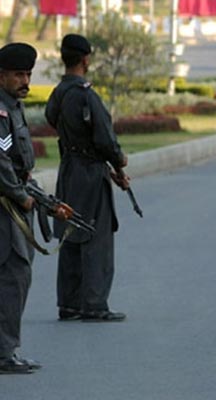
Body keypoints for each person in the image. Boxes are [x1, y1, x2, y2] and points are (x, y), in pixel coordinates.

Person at [45, 34, 130, 323]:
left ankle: (68, 304)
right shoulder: (86, 94)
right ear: (85, 59)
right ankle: (94, 304)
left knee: (71, 233)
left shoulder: (58, 92)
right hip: (92, 173)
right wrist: (119, 161)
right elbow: (105, 139)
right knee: (96, 237)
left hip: (68, 170)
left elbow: (51, 118)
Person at [0, 42, 43, 374]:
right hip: (5, 205)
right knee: (14, 275)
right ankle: (4, 353)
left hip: (13, 200)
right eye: (18, 74)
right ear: (1, 76)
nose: (25, 80)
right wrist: (20, 194)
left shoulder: (12, 106)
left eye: (28, 73)